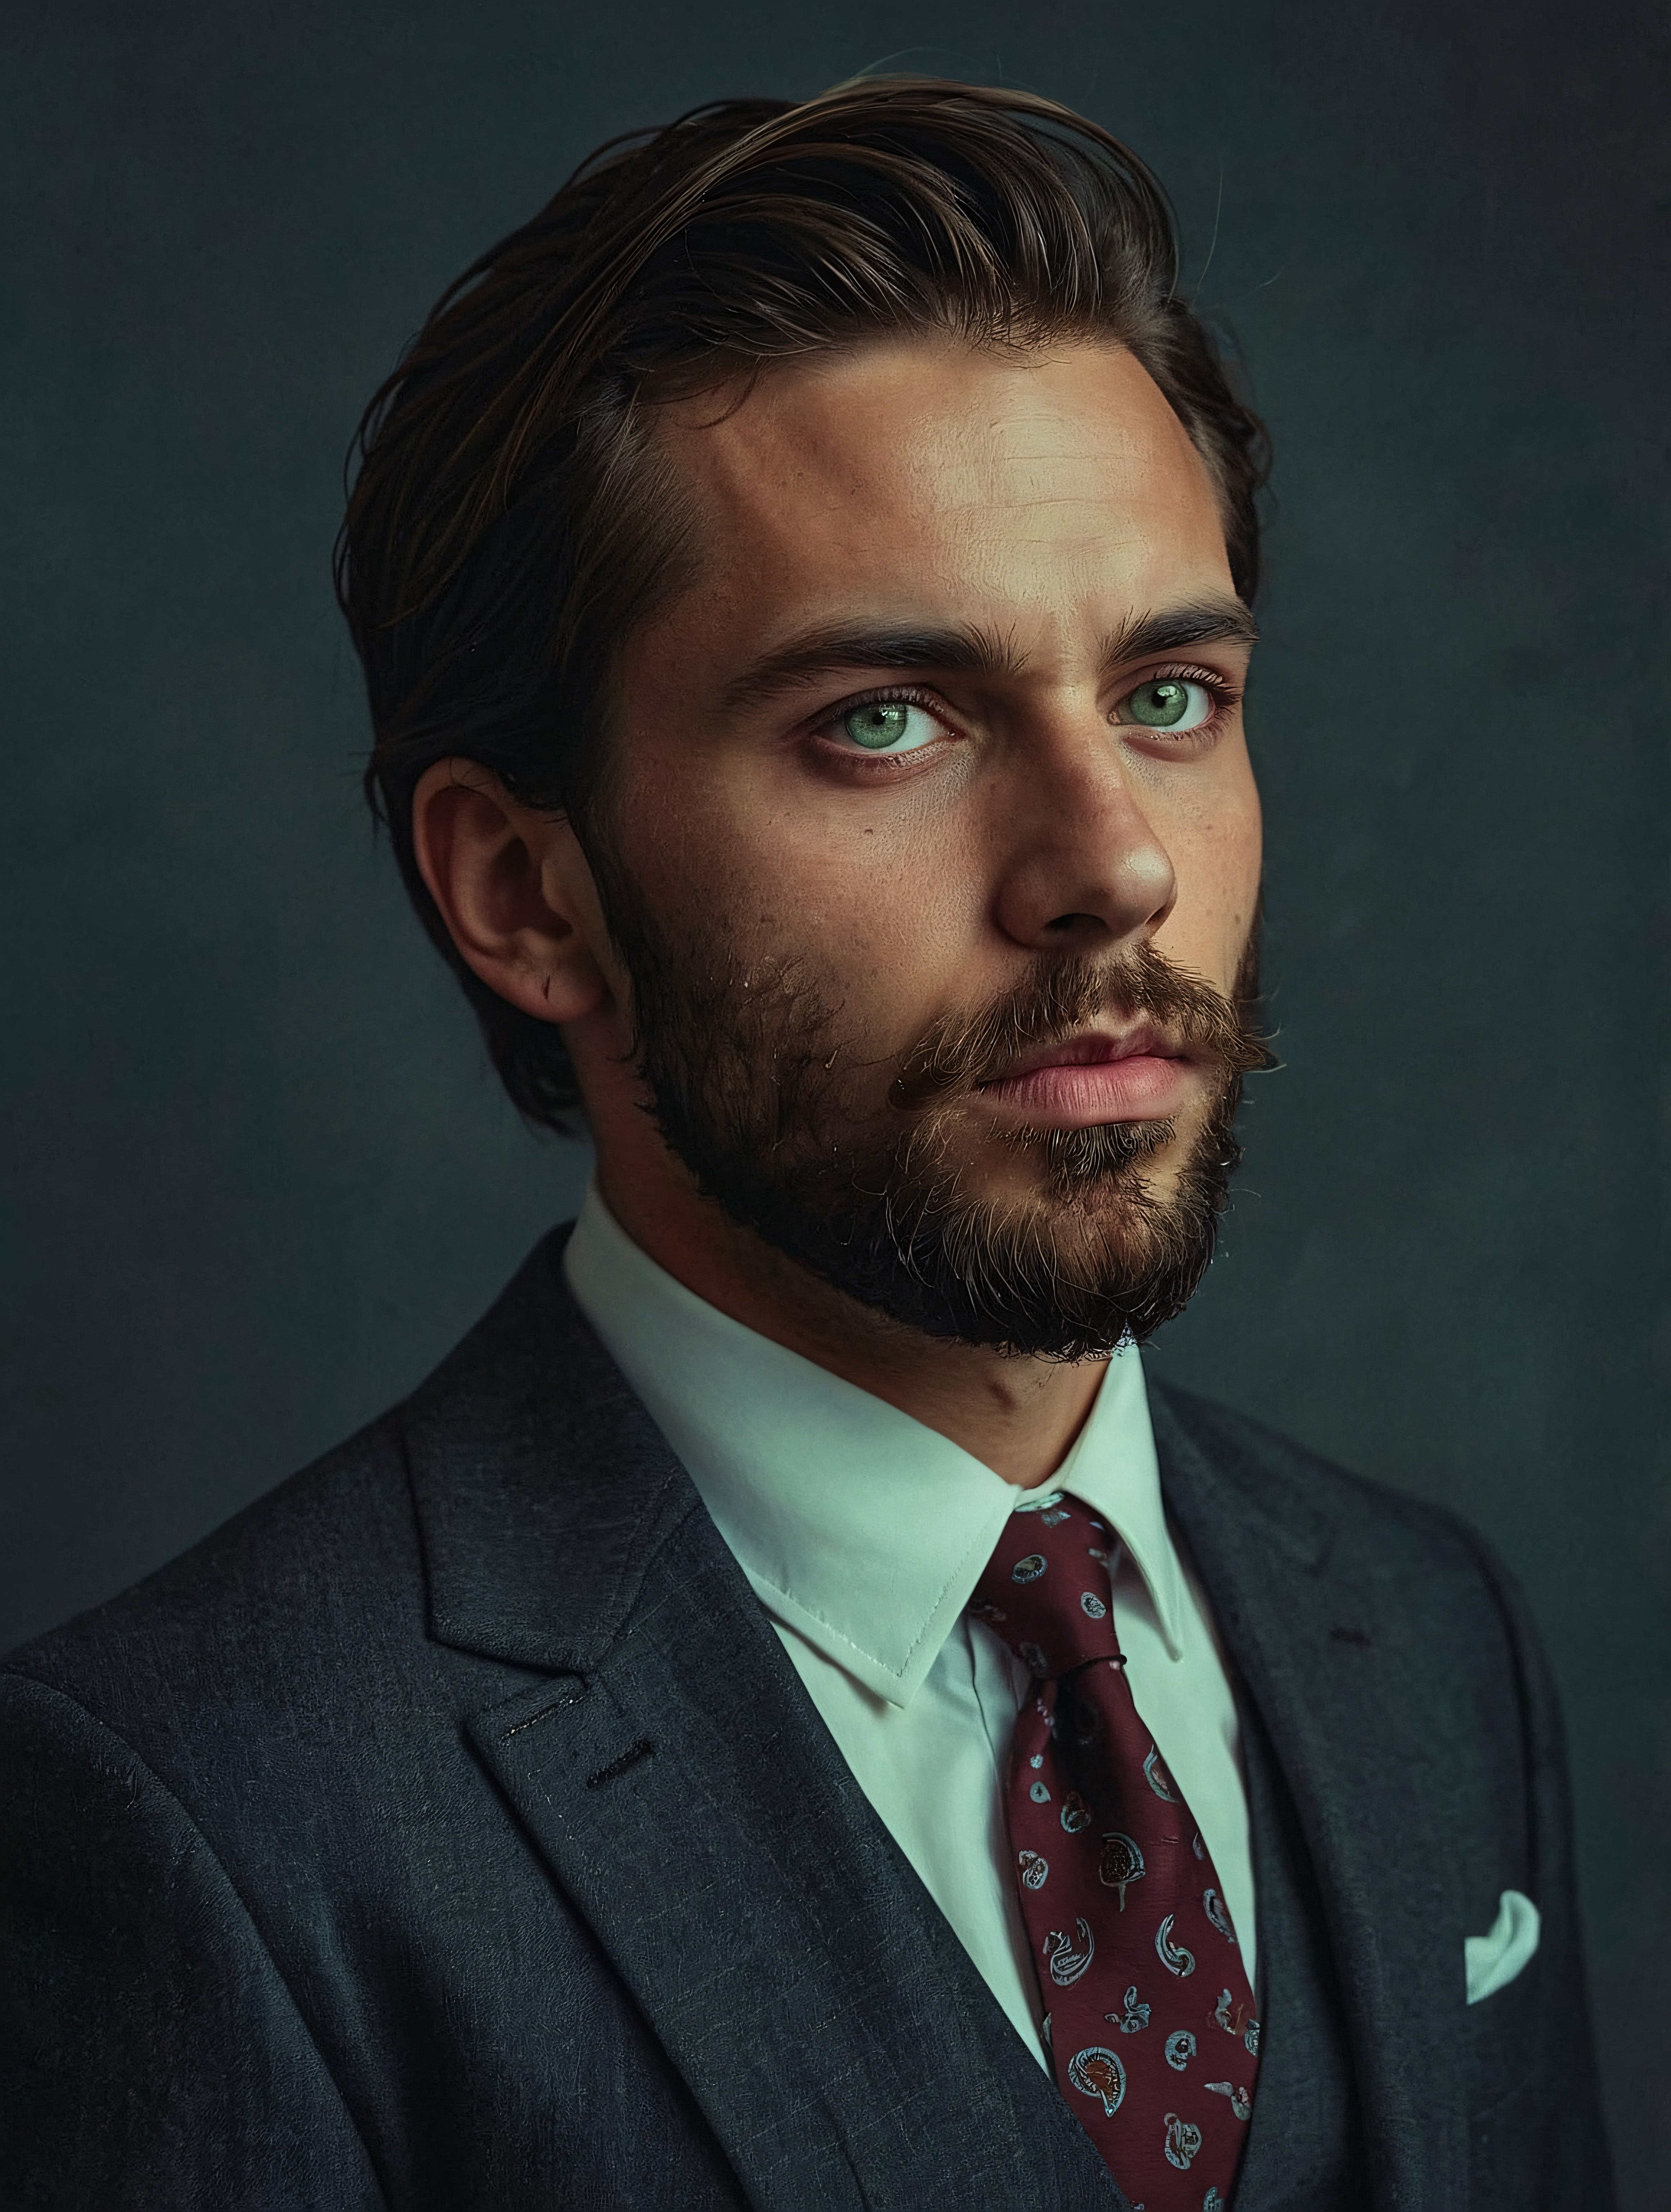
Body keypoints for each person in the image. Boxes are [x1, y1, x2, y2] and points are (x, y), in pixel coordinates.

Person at [0, 78, 1610, 2211]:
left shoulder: (1426, 1634)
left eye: (1168, 694)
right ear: (524, 893)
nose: (1111, 862)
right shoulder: (207, 1818)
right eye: (885, 719)